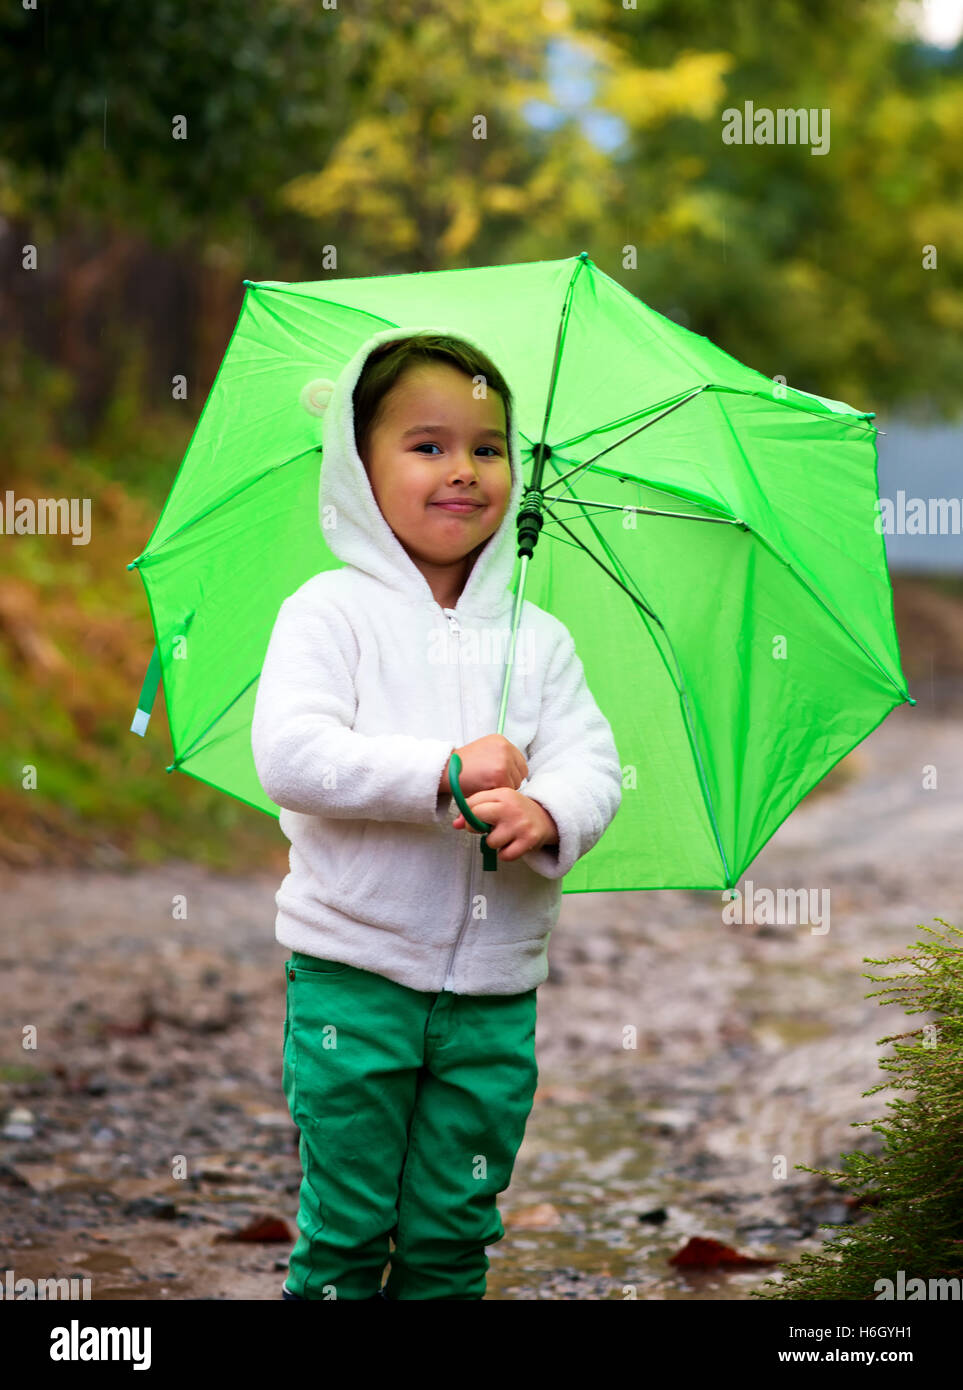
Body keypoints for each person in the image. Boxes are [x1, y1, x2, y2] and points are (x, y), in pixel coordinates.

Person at [251, 325, 622, 1300]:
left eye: (487, 447)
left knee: (454, 1230)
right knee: (350, 1220)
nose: (463, 469)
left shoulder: (538, 641)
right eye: (427, 445)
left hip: (495, 992)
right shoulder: (329, 613)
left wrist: (548, 809)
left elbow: (596, 763)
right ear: (358, 471)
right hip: (355, 978)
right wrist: (441, 773)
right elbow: (292, 755)